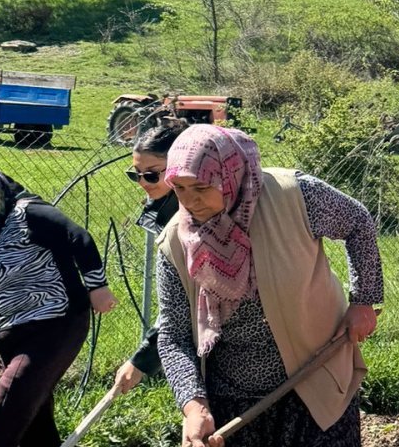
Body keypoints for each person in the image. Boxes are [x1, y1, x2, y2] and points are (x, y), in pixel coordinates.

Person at [156, 125, 383, 447]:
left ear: (230, 174)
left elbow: (358, 221)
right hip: (232, 405)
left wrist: (363, 300)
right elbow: (173, 335)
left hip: (316, 382)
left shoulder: (294, 195)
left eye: (202, 187)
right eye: (179, 188)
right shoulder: (175, 243)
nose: (190, 201)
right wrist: (194, 406)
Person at [0, 168, 118, 447]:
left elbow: (78, 237)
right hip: (13, 334)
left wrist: (97, 286)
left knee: (11, 392)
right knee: (34, 423)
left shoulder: (28, 212)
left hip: (54, 324)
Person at [113, 120, 188, 394]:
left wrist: (142, 360)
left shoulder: (190, 217)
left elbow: (182, 303)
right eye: (136, 174)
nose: (143, 183)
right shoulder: (166, 205)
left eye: (152, 175)